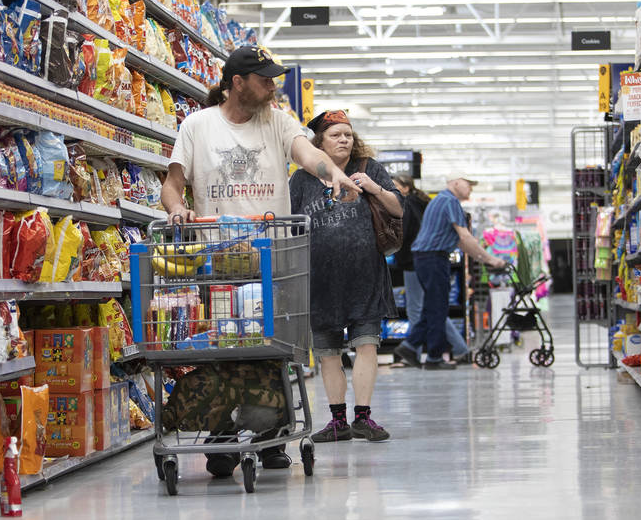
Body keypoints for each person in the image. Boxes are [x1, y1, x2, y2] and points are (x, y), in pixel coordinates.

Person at [160, 46, 361, 477]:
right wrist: (177, 208)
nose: (273, 87)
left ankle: (273, 431)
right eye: (265, 80)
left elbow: (309, 155)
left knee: (274, 348)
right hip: (215, 259)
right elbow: (173, 184)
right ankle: (224, 433)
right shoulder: (197, 126)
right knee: (221, 347)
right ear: (237, 83)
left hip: (272, 256)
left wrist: (333, 174)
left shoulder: (276, 120)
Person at [290, 110, 402, 444]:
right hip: (320, 279)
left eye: (348, 135)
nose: (344, 140)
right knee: (328, 352)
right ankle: (337, 420)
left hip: (364, 275)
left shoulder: (369, 168)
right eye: (336, 135)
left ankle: (363, 418)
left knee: (367, 345)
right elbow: (291, 224)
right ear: (319, 142)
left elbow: (398, 209)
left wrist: (376, 189)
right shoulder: (302, 178)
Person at [394, 176, 507, 370]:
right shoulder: (450, 201)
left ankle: (411, 347)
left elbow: (461, 242)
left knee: (433, 306)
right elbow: (464, 236)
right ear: (455, 182)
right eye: (468, 184)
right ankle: (433, 357)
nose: (471, 188)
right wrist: (491, 259)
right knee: (437, 307)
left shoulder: (440, 200)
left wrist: (483, 257)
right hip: (433, 258)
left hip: (425, 258)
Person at [392, 173, 471, 365]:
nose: (391, 190)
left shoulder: (408, 205)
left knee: (419, 309)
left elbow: (404, 233)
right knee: (433, 306)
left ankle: (415, 352)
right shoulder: (424, 202)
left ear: (406, 187)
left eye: (394, 186)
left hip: (414, 260)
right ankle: (449, 350)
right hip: (424, 258)